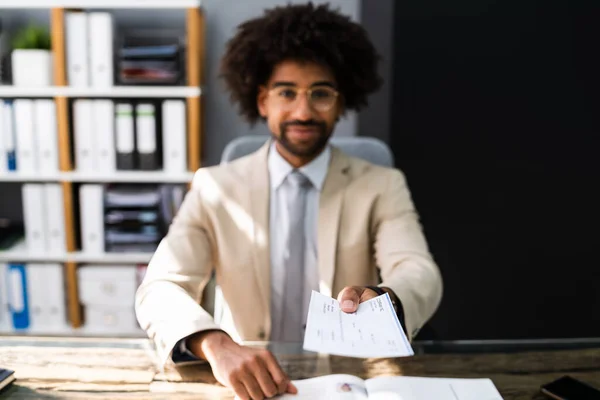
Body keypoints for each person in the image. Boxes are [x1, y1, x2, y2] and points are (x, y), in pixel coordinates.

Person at [135, 3, 443, 400]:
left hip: (346, 381)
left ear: (340, 103)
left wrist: (388, 298)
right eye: (287, 92)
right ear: (263, 101)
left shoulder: (381, 184)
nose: (303, 110)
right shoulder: (215, 186)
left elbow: (418, 269)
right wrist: (214, 343)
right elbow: (160, 285)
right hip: (246, 381)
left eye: (321, 94)